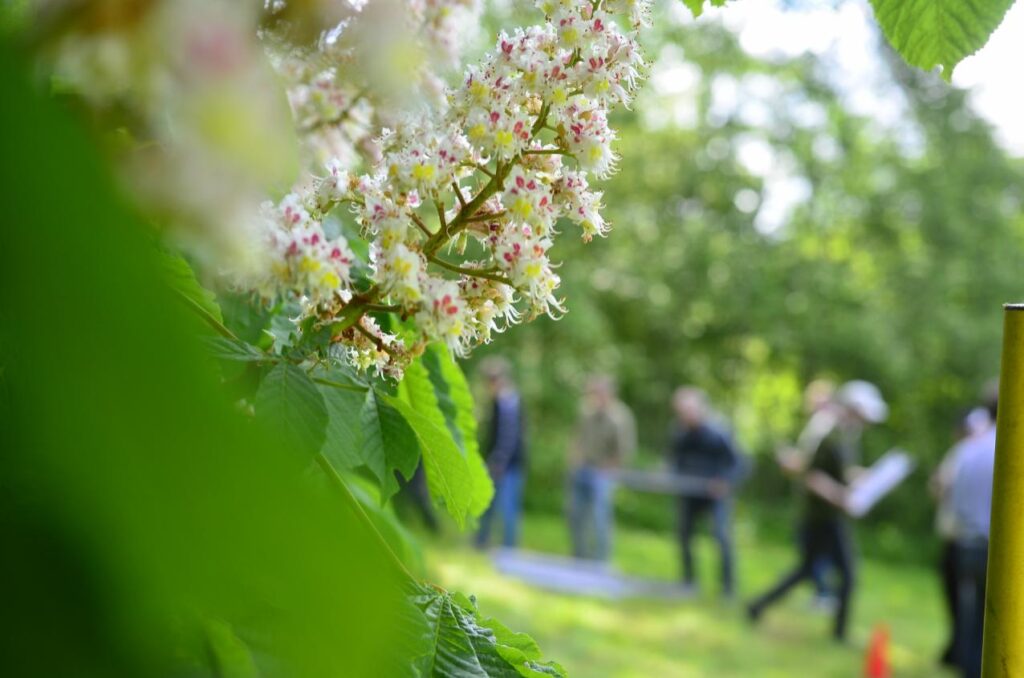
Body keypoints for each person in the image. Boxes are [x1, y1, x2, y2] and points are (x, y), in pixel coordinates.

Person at [748, 380, 889, 642]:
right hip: (821, 517)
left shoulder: (846, 434)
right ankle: (838, 633)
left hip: (831, 516)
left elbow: (839, 474)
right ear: (853, 408)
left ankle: (757, 606)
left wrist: (863, 479)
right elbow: (811, 476)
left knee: (810, 570)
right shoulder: (828, 432)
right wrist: (841, 498)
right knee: (844, 573)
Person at [930, 407, 992, 668]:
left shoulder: (968, 451)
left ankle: (964, 659)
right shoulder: (981, 449)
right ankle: (967, 660)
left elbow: (941, 486)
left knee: (969, 609)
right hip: (980, 540)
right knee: (979, 613)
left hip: (965, 537)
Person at [669, 387, 745, 598]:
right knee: (684, 536)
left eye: (689, 410)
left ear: (700, 409)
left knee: (721, 538)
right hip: (689, 493)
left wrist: (724, 482)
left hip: (715, 495)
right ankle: (688, 582)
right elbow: (676, 460)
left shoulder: (718, 432)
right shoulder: (679, 432)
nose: (685, 416)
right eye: (681, 412)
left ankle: (728, 588)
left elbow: (739, 462)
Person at [949, 391, 998, 678]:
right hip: (997, 550)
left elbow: (955, 499)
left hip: (968, 542)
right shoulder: (1011, 451)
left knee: (973, 619)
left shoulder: (969, 448)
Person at [567, 375, 636, 562]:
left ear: (608, 394)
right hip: (582, 468)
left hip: (603, 473)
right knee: (575, 514)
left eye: (597, 393)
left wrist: (611, 469)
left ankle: (601, 560)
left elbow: (625, 450)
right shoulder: (586, 411)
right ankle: (579, 556)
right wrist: (574, 459)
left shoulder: (620, 416)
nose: (594, 397)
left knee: (600, 518)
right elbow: (577, 437)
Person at [474, 358, 527, 550]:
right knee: (488, 503)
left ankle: (508, 548)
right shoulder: (501, 401)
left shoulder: (507, 401)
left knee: (508, 507)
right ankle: (481, 541)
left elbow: (508, 435)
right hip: (500, 462)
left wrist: (498, 460)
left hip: (507, 464)